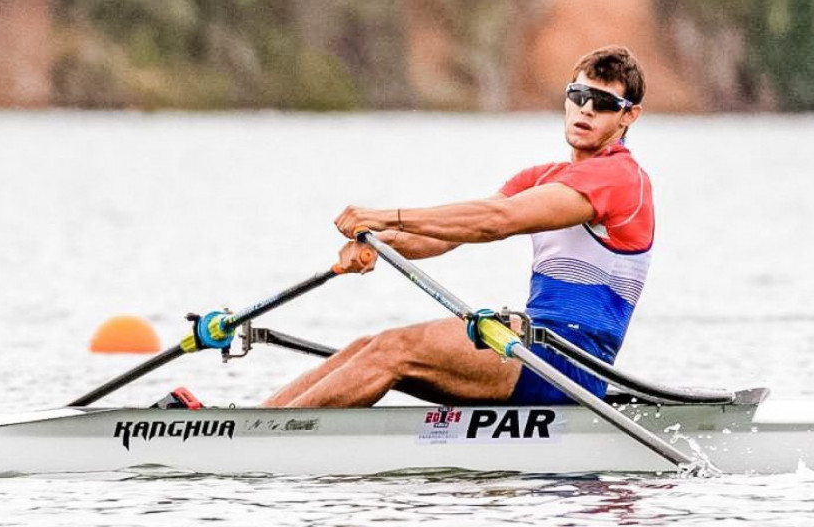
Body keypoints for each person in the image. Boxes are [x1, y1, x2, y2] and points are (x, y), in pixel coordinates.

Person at [263, 45, 653, 408]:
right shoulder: (542, 177)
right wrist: (380, 243)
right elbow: (445, 238)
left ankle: (265, 440)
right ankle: (254, 426)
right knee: (366, 346)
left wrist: (387, 215)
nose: (586, 110)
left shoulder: (619, 178)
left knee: (392, 350)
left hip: (570, 365)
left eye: (604, 103)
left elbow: (496, 222)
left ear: (628, 115)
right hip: (535, 344)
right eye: (578, 95)